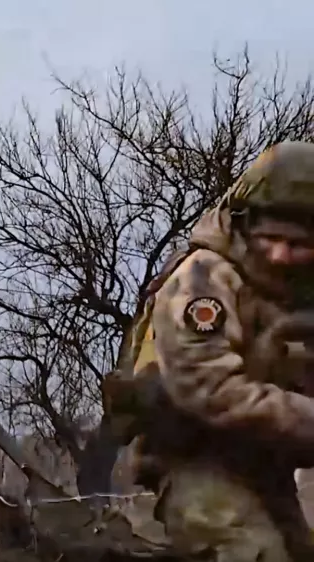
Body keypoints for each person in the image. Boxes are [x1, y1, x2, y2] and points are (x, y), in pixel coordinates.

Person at [132, 141, 314, 561]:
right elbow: (207, 387)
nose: (280, 254)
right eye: (270, 238)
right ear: (245, 221)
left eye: (299, 243)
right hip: (191, 463)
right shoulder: (204, 279)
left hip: (268, 469)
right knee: (253, 553)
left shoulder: (298, 291)